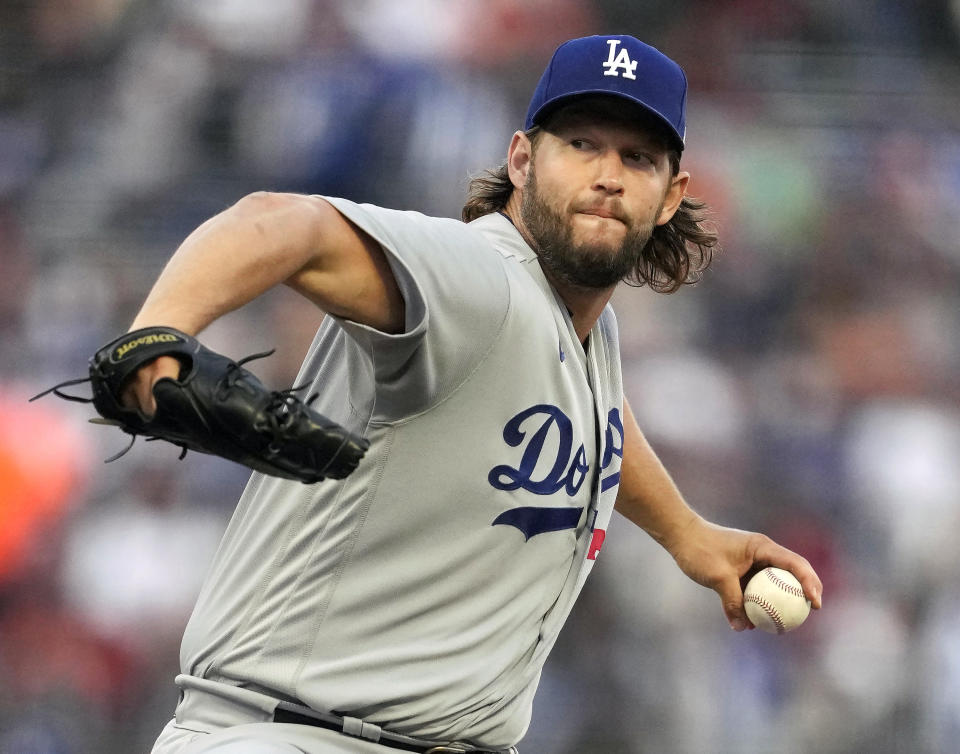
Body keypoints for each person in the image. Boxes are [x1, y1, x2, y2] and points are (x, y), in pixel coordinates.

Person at [126, 35, 822, 754]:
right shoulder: (477, 279)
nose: (608, 175)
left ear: (673, 193)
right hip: (296, 736)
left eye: (637, 157)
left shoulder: (585, 327)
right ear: (522, 160)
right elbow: (277, 221)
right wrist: (155, 335)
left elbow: (594, 418)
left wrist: (688, 534)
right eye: (581, 144)